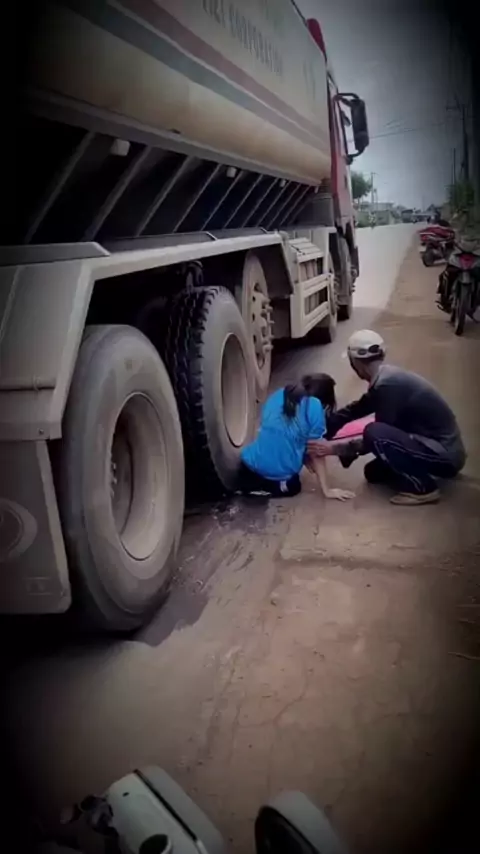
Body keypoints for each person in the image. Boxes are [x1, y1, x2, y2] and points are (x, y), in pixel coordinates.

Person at [307, 330, 466, 506]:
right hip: (427, 443)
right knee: (373, 473)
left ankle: (423, 489)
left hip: (445, 455)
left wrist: (335, 449)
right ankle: (416, 472)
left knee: (374, 432)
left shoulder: (388, 384)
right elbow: (357, 409)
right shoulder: (386, 377)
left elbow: (377, 437)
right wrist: (324, 429)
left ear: (355, 362)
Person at [238, 374, 354, 501]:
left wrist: (305, 458)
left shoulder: (279, 394)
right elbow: (316, 450)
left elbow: (280, 435)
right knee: (294, 486)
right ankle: (257, 490)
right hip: (273, 477)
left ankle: (249, 485)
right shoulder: (315, 407)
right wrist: (327, 490)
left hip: (247, 465)